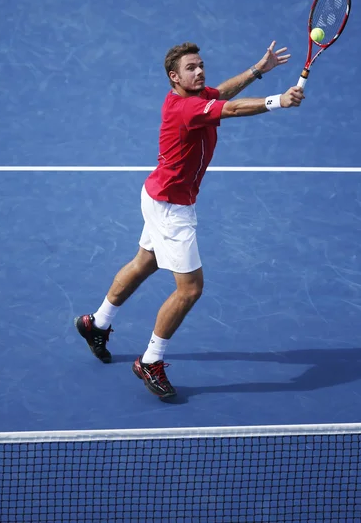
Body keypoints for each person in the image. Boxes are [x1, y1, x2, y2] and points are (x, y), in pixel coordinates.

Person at [75, 41, 304, 399]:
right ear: (174, 77)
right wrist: (278, 100)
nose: (200, 72)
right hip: (171, 208)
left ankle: (97, 322)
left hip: (155, 194)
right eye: (191, 68)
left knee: (143, 263)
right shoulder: (188, 110)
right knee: (190, 289)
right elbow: (232, 108)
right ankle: (151, 361)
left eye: (201, 65)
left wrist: (258, 70)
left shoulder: (190, 98)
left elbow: (222, 92)